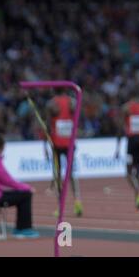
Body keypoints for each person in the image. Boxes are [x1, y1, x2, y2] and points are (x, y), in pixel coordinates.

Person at [0, 133, 39, 238]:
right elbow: (8, 181)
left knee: (20, 194)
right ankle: (24, 228)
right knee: (26, 194)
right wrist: (27, 187)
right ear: (2, 146)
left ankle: (20, 228)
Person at [46, 88, 83, 217]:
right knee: (71, 173)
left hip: (56, 143)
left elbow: (47, 125)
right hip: (70, 143)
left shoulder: (52, 103)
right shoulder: (72, 102)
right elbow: (77, 118)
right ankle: (78, 201)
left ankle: (60, 206)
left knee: (57, 176)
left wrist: (45, 145)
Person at [115, 90, 139, 210]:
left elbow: (121, 128)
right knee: (138, 172)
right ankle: (138, 200)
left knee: (128, 173)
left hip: (131, 143)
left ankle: (138, 191)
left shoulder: (126, 108)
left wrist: (117, 148)